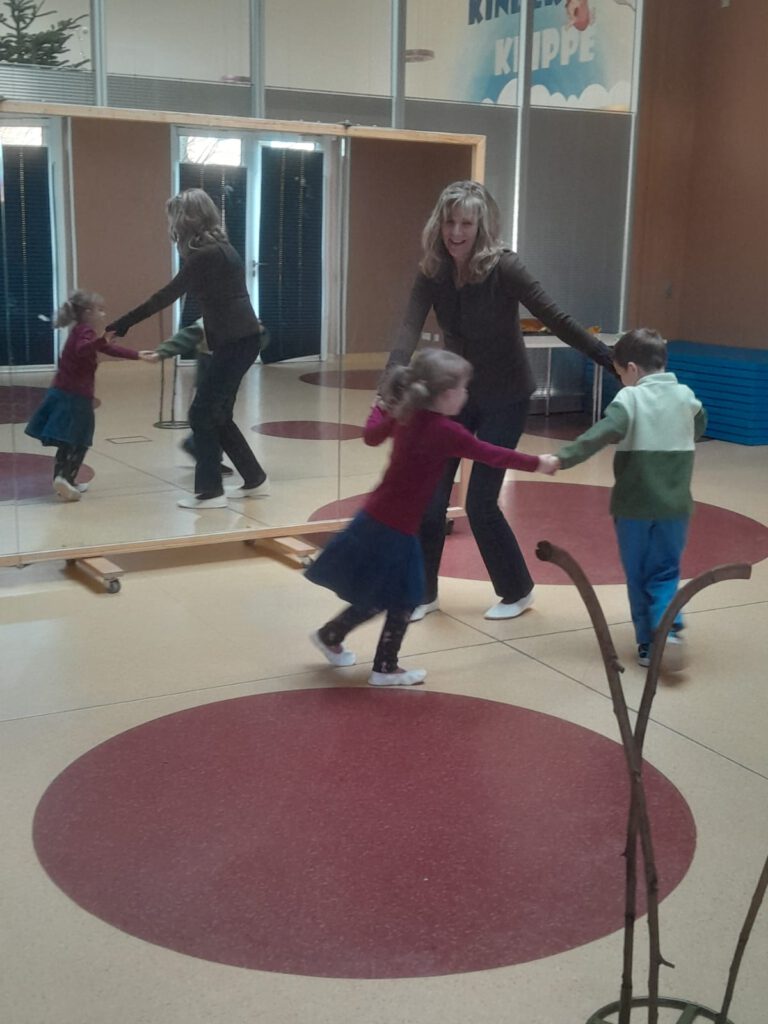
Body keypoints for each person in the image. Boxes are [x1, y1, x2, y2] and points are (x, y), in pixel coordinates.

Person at [386, 180, 614, 622]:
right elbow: (409, 325)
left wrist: (607, 358)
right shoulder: (433, 269)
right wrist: (391, 378)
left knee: (480, 502)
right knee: (429, 497)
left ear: (481, 226)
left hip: (506, 397)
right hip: (454, 398)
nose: (456, 232)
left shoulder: (504, 267)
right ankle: (423, 593)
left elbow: (555, 317)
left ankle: (517, 590)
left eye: (466, 223)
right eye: (449, 222)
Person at [306, 347, 558, 687]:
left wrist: (380, 408)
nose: (467, 395)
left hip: (377, 516)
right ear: (445, 395)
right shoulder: (445, 431)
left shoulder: (407, 414)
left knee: (392, 592)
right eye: (463, 388)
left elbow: (371, 436)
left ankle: (335, 637)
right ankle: (381, 666)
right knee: (405, 594)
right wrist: (538, 463)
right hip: (396, 528)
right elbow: (490, 454)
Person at [546, 328, 707, 668]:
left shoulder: (630, 399)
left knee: (638, 574)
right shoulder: (686, 397)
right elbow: (699, 427)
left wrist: (563, 458)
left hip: (634, 508)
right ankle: (670, 630)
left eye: (620, 373)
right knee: (665, 571)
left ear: (632, 369)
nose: (622, 380)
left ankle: (648, 645)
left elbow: (601, 433)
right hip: (675, 508)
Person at [106, 188, 269, 509]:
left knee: (201, 413)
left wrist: (123, 323)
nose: (171, 225)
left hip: (235, 341)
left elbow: (166, 295)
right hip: (241, 339)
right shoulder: (222, 248)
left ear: (186, 220)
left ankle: (210, 492)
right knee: (218, 414)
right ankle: (254, 477)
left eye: (173, 218)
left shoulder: (205, 255)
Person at [25, 289, 140, 502]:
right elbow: (83, 349)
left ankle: (64, 480)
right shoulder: (85, 332)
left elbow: (108, 349)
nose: (103, 314)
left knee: (67, 439)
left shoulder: (80, 331)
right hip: (75, 397)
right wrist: (102, 340)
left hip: (62, 393)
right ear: (88, 312)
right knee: (80, 439)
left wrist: (138, 355)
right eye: (100, 310)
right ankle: (64, 478)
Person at [139, 318, 240, 479]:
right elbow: (188, 335)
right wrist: (162, 352)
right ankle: (204, 454)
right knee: (213, 415)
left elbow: (259, 336)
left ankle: (200, 449)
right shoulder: (212, 317)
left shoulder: (240, 316)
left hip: (228, 366)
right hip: (212, 364)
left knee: (220, 414)